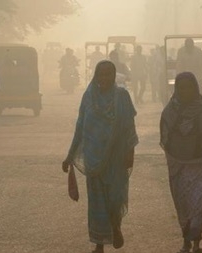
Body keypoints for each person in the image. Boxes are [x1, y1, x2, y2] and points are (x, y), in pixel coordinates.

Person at [62, 60, 138, 253]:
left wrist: (130, 153)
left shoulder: (122, 96)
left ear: (114, 76)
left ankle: (115, 225)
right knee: (97, 202)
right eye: (100, 74)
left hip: (116, 157)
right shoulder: (88, 97)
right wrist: (70, 155)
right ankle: (99, 244)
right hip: (93, 158)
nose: (104, 78)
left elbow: (129, 127)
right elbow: (80, 127)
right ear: (95, 76)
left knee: (115, 198)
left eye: (108, 74)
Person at [160, 72, 202, 253]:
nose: (185, 91)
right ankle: (185, 240)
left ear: (195, 87)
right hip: (179, 165)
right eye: (181, 87)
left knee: (197, 206)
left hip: (201, 164)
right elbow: (165, 134)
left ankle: (196, 242)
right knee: (182, 205)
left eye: (189, 86)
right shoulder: (171, 109)